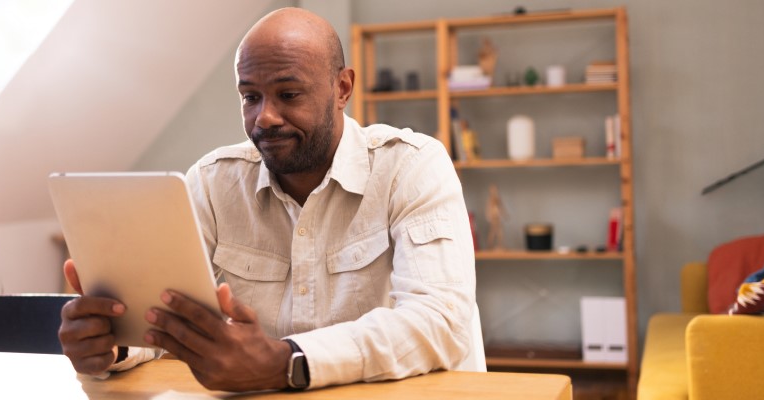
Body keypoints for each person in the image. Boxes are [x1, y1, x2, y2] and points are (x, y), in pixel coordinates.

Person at [58, 7, 485, 392]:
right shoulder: (211, 183)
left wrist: (288, 360)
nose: (264, 116)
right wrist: (114, 346)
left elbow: (440, 323)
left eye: (288, 94)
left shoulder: (411, 167)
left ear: (342, 88)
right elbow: (168, 317)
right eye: (250, 96)